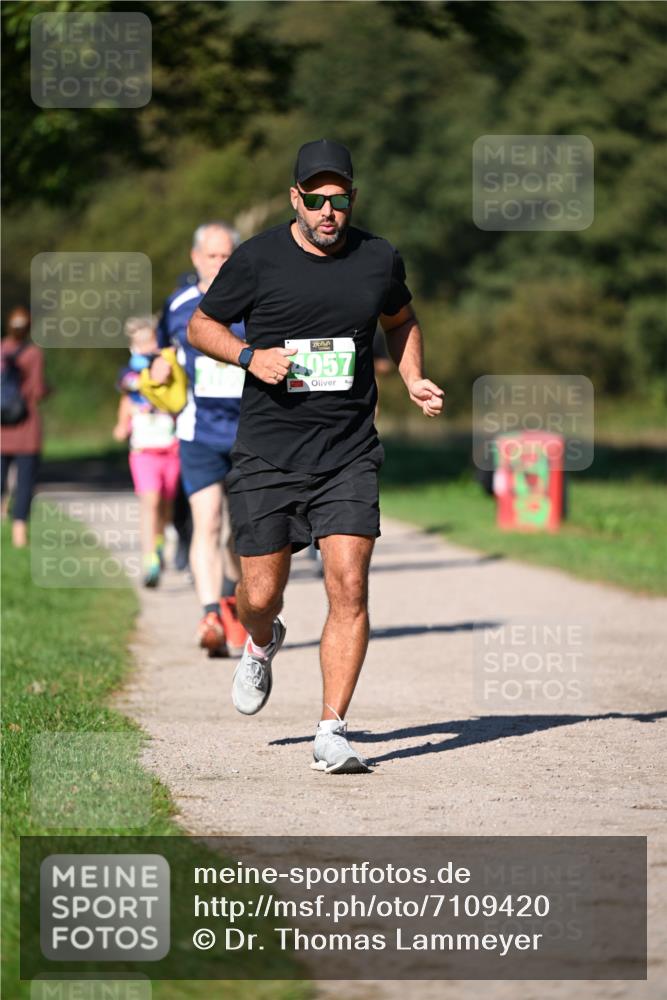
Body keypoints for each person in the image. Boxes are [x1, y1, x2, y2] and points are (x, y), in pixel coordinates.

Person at [188, 139, 444, 773]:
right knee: (259, 591)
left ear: (351, 199)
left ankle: (332, 729)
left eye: (340, 199)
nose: (329, 211)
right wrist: (251, 357)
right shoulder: (257, 259)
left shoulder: (378, 258)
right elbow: (201, 326)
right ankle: (261, 637)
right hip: (268, 453)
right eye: (317, 199)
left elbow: (401, 319)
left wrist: (412, 378)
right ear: (295, 199)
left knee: (349, 587)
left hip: (348, 451)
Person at [156, 222, 248, 656]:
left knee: (242, 533)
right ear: (196, 258)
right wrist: (155, 370)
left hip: (251, 433)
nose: (220, 263)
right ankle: (210, 612)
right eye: (213, 256)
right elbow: (157, 353)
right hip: (198, 432)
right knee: (207, 521)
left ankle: (231, 598)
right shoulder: (178, 306)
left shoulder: (257, 302)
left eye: (227, 255)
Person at [113, 316, 181, 588]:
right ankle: (149, 559)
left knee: (166, 504)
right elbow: (127, 390)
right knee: (149, 503)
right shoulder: (129, 372)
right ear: (131, 345)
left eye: (149, 340)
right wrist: (122, 424)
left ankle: (161, 538)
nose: (144, 346)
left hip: (170, 447)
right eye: (138, 342)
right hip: (143, 450)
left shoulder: (172, 367)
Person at [1, 307, 49, 548]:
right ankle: (19, 534)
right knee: (25, 482)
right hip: (26, 429)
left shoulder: (1, 349)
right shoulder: (34, 353)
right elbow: (38, 390)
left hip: (1, 429)